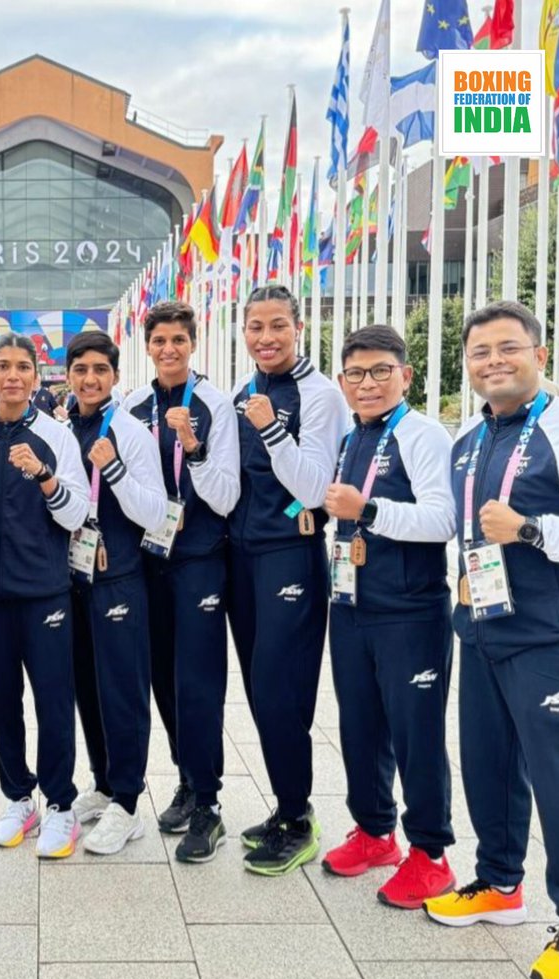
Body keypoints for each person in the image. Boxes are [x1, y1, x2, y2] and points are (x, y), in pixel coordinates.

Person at [424, 300, 559, 979]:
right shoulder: (469, 436)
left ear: (539, 355)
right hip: (483, 628)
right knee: (487, 767)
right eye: (480, 352)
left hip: (549, 639)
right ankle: (498, 882)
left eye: (508, 348)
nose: (493, 361)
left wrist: (532, 529)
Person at [320, 325, 457, 908]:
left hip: (409, 611)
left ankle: (431, 854)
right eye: (356, 374)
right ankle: (375, 832)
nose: (368, 383)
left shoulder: (422, 435)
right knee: (360, 726)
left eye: (380, 371)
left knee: (415, 733)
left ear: (406, 375)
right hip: (351, 603)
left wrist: (369, 509)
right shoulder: (354, 436)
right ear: (342, 382)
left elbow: (443, 520)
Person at [0, 333, 90, 857]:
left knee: (53, 699)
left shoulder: (57, 436)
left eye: (22, 367)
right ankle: (18, 797)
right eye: (3, 366)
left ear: (36, 376)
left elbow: (76, 514)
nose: (12, 376)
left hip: (44, 592)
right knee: (1, 699)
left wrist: (44, 476)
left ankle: (60, 803)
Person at [229, 285, 346, 876]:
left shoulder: (320, 395)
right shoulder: (243, 390)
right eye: (256, 327)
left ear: (298, 328)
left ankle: (298, 819)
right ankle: (286, 806)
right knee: (259, 690)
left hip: (290, 554)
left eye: (278, 325)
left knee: (281, 688)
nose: (266, 337)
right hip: (241, 556)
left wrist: (273, 429)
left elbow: (313, 487)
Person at [123, 301, 241, 862]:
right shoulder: (134, 406)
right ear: (147, 346)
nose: (168, 349)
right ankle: (188, 780)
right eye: (159, 340)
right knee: (164, 680)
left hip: (200, 558)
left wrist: (193, 447)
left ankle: (209, 804)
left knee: (198, 681)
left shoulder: (215, 404)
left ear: (193, 344)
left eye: (178, 340)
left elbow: (227, 495)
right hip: (151, 558)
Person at [63, 331, 167, 854]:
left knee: (123, 691)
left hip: (120, 575)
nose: (90, 379)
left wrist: (116, 468)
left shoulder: (128, 431)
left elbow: (154, 512)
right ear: (68, 375)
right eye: (81, 369)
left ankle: (127, 802)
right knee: (88, 687)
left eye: (100, 370)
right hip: (75, 577)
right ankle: (103, 783)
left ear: (116, 376)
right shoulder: (66, 428)